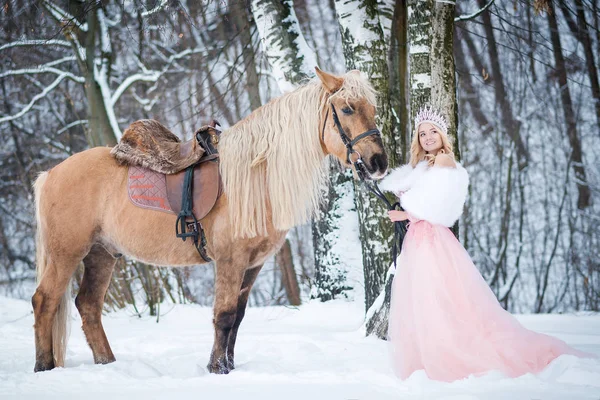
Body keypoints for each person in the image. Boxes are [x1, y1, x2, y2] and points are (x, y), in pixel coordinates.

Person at [380, 106, 591, 382]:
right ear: (417, 140)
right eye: (423, 133)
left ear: (443, 136)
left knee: (439, 299)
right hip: (419, 239)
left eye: (433, 132)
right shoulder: (425, 166)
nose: (428, 137)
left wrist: (404, 212)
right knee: (425, 300)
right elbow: (414, 188)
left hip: (432, 240)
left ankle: (450, 355)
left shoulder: (443, 161)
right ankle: (429, 355)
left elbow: (436, 204)